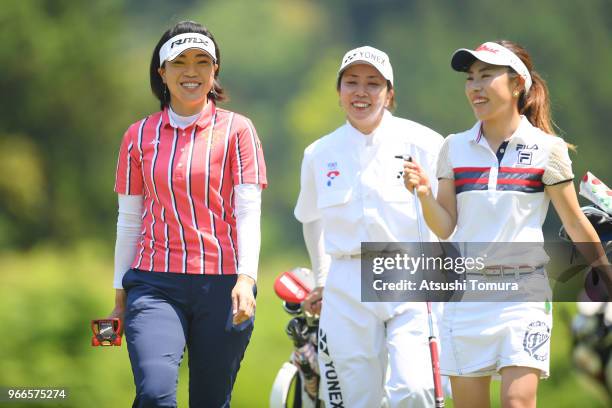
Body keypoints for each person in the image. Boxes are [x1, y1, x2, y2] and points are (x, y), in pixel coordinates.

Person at [403, 40, 611, 407]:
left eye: (486, 76)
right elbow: (445, 225)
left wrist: (605, 272)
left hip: (522, 297)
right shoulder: (454, 147)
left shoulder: (548, 149)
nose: (475, 87)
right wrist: (422, 194)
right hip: (465, 298)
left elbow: (575, 222)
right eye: (470, 78)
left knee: (517, 403)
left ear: (517, 84)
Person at [109, 21, 267, 407]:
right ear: (162, 73)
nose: (191, 71)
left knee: (211, 401)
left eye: (201, 61)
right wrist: (119, 297)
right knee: (155, 393)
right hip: (154, 284)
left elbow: (248, 212)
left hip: (224, 285)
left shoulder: (238, 131)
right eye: (179, 62)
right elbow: (129, 219)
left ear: (215, 72)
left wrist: (246, 279)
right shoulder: (138, 136)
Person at [294, 45, 444, 407]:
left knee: (416, 388)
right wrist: (321, 279)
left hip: (410, 273)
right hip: (346, 280)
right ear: (339, 91)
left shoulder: (424, 142)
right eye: (352, 82)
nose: (361, 92)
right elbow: (311, 219)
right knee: (356, 397)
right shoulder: (319, 153)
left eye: (373, 83)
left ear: (389, 93)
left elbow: (447, 219)